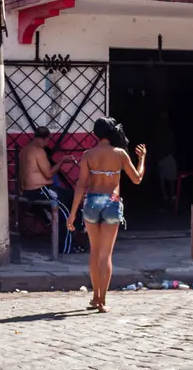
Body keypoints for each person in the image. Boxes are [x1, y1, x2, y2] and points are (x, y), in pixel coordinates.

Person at [67, 117, 146, 313]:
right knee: (106, 254)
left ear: (96, 133)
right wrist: (142, 159)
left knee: (94, 252)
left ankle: (95, 297)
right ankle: (102, 301)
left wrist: (72, 214)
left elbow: (80, 185)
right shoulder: (119, 154)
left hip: (92, 202)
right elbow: (137, 179)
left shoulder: (88, 154)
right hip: (111, 202)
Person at [19, 126, 78, 254]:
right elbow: (48, 174)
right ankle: (66, 248)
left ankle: (77, 229)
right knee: (65, 213)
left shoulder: (23, 151)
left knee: (71, 196)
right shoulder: (39, 151)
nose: (47, 144)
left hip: (29, 191)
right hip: (40, 189)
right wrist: (62, 161)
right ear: (43, 139)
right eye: (47, 141)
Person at [153, 110, 177, 207]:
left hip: (162, 156)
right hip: (165, 156)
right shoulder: (165, 132)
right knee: (169, 178)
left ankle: (167, 197)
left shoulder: (157, 131)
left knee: (163, 179)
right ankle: (170, 196)